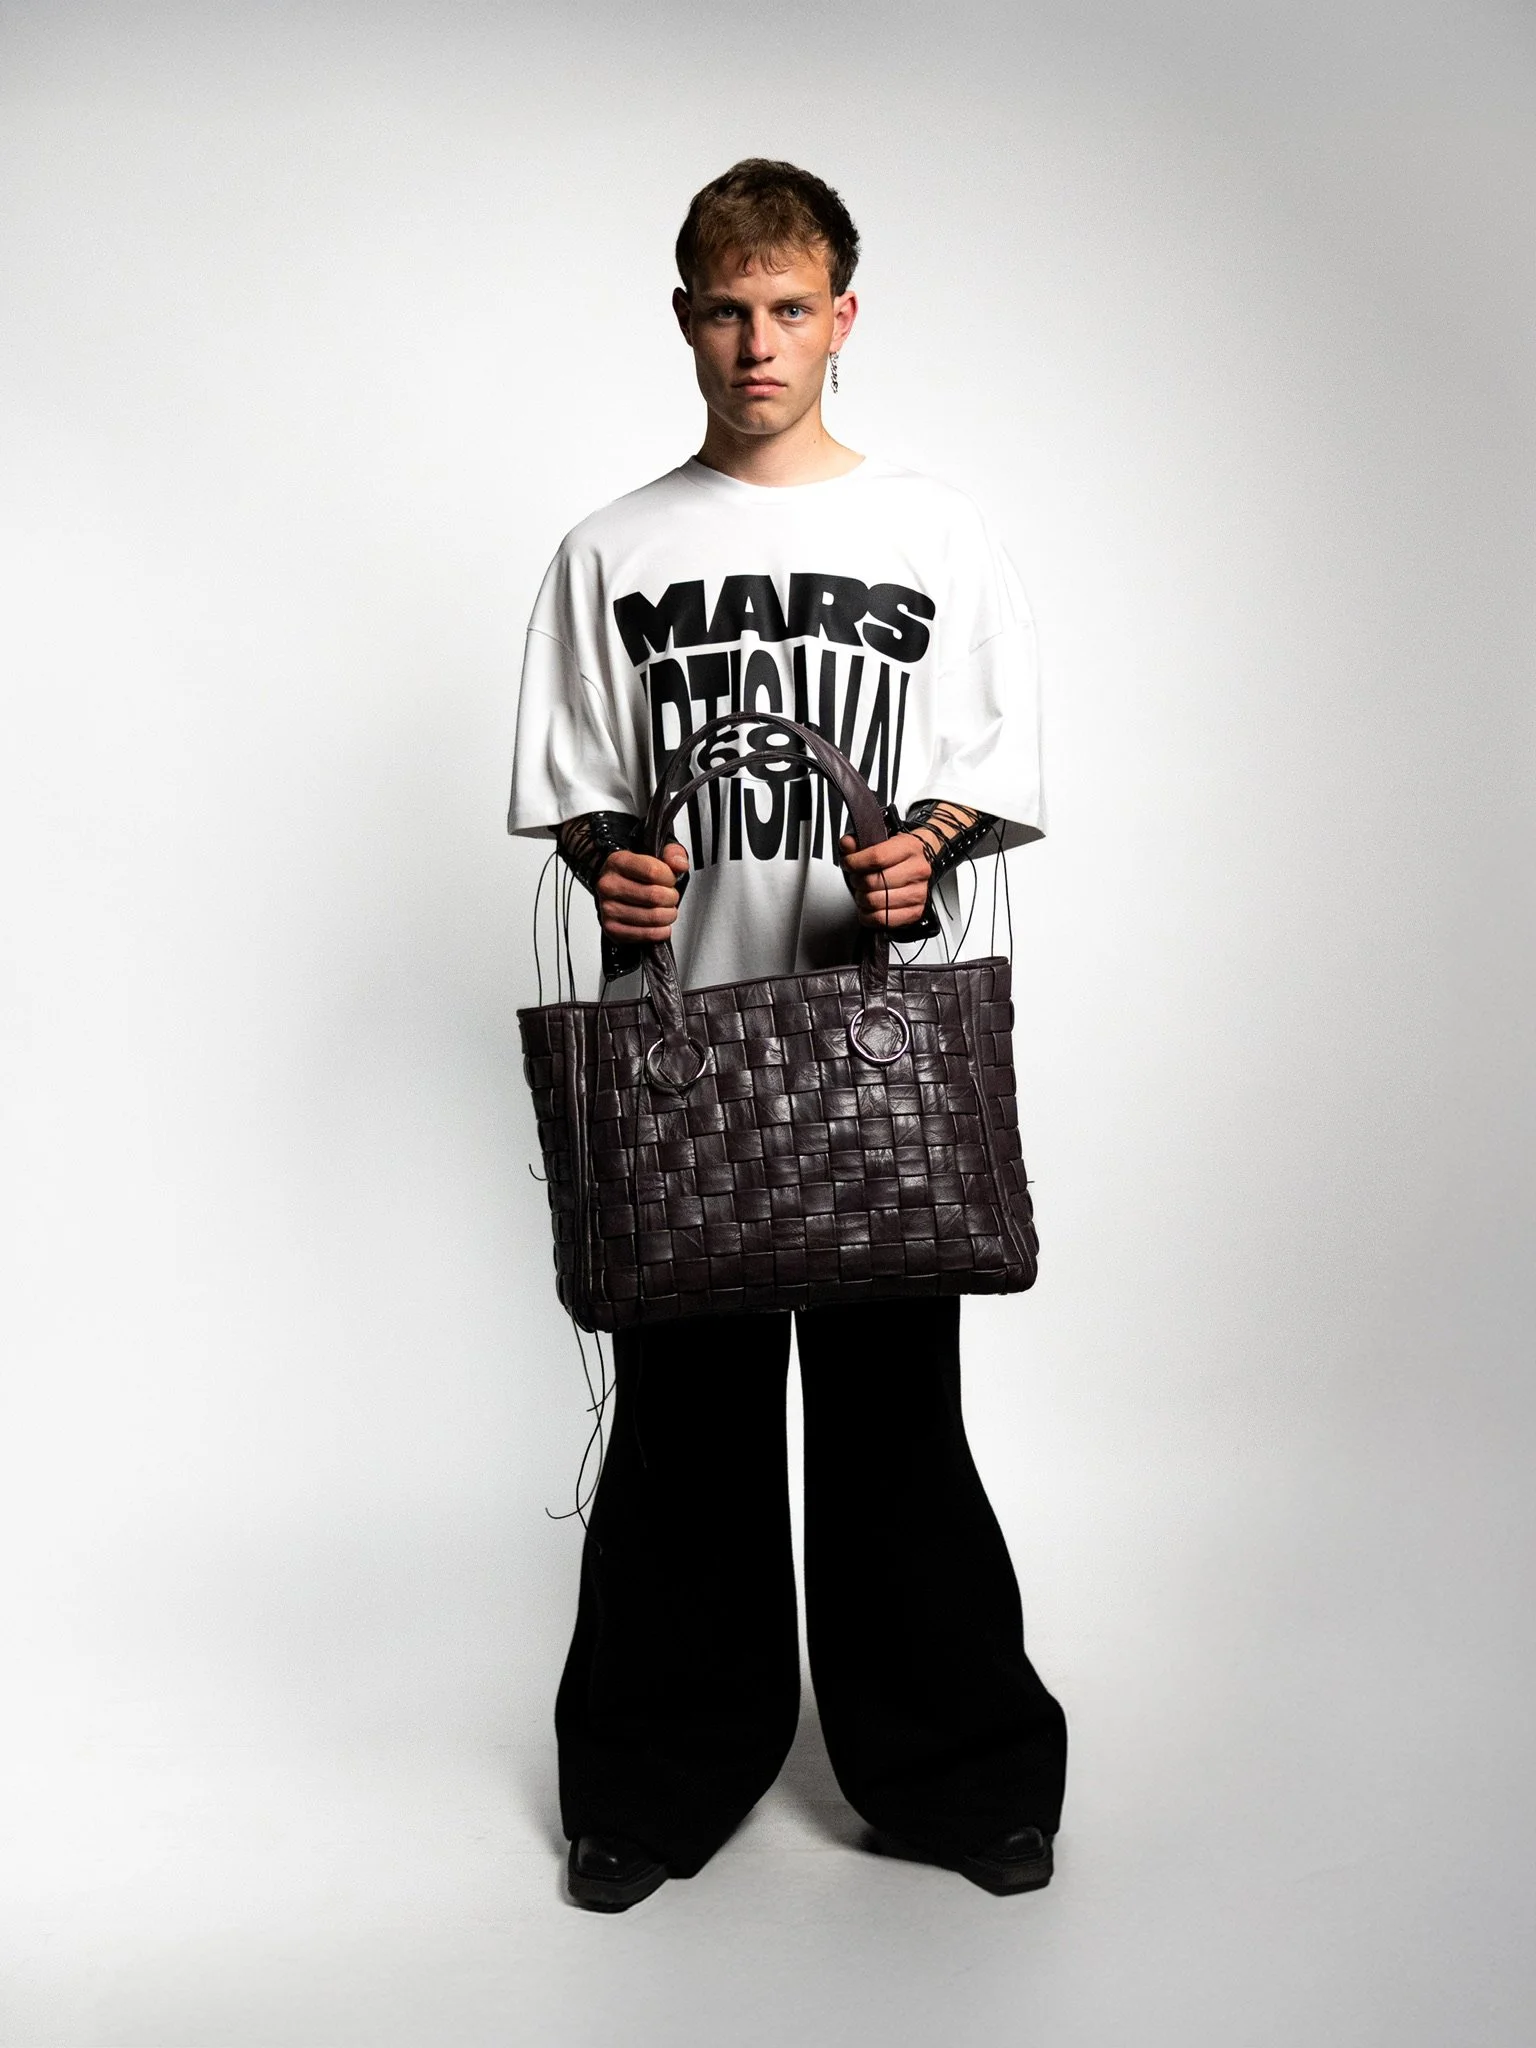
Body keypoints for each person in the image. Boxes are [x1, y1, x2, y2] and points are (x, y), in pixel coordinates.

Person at [508, 159, 1067, 1913]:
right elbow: (576, 795)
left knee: (900, 1417)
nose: (759, 343)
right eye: (726, 311)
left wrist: (924, 859)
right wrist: (620, 870)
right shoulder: (611, 549)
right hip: (681, 1053)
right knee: (688, 1421)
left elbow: (982, 780)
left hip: (870, 1044)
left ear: (843, 314)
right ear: (686, 319)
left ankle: (960, 1779)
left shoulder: (936, 531)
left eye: (790, 308)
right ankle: (655, 1786)